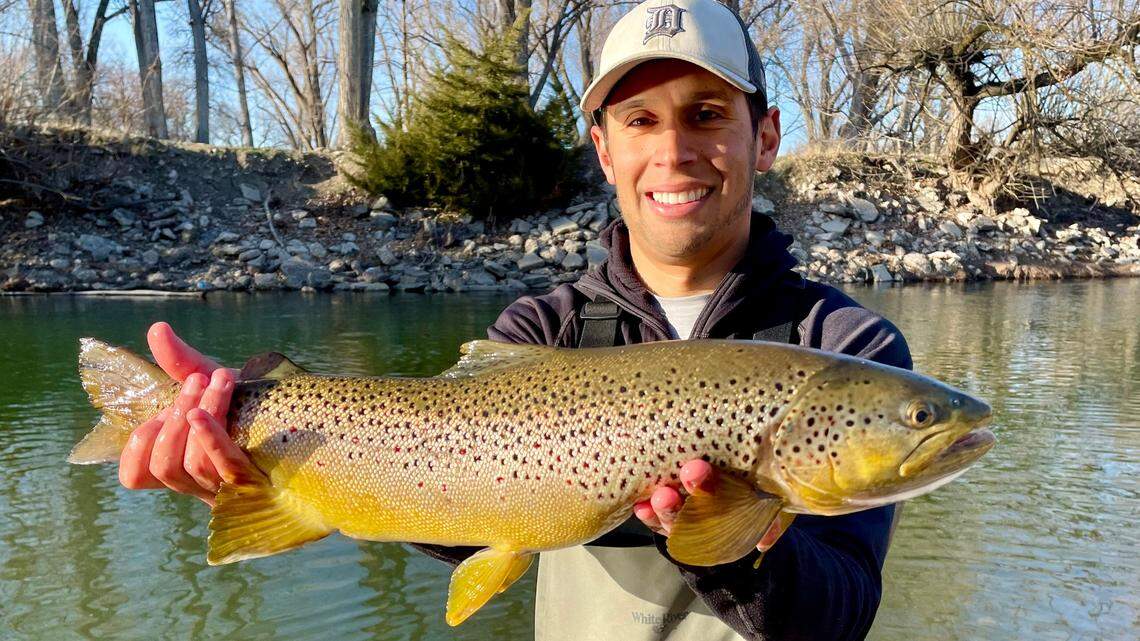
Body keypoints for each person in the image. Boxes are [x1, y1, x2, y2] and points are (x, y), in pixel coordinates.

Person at [117, 1, 912, 639]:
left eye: (706, 114)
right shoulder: (543, 329)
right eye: (640, 121)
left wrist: (740, 535)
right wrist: (257, 469)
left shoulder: (845, 347)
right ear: (604, 152)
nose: (673, 151)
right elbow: (458, 510)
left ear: (765, 137)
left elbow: (839, 615)